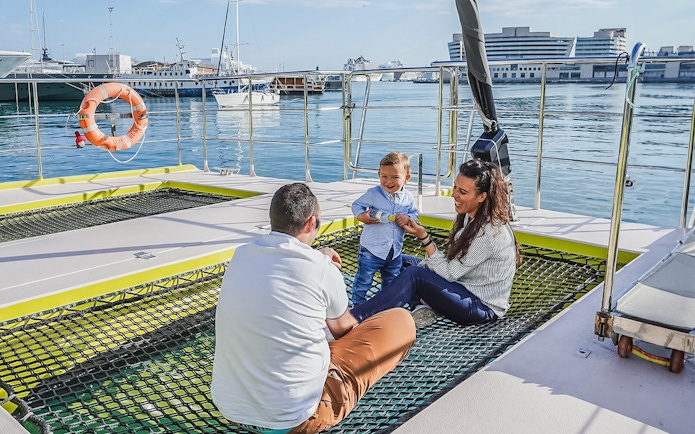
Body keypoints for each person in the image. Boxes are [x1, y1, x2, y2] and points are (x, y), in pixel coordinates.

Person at [211, 182, 416, 434]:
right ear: (310, 223)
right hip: (296, 419)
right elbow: (342, 330)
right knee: (401, 322)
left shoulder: (241, 255)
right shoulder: (320, 268)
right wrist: (324, 268)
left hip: (233, 410)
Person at [351, 158, 522, 328]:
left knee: (415, 275)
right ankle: (421, 306)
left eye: (463, 192)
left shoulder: (488, 232)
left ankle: (354, 319)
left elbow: (449, 273)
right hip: (461, 285)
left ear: (482, 196)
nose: (454, 194)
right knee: (396, 261)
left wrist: (424, 237)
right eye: (455, 187)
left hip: (479, 307)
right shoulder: (472, 215)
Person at [351, 151, 419, 306]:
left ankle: (387, 308)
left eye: (395, 177)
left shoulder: (408, 197)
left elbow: (414, 213)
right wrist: (362, 217)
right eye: (384, 176)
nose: (389, 181)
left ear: (406, 178)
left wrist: (408, 218)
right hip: (371, 250)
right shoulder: (373, 194)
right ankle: (357, 307)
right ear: (379, 174)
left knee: (392, 283)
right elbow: (356, 205)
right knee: (363, 281)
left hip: (394, 251)